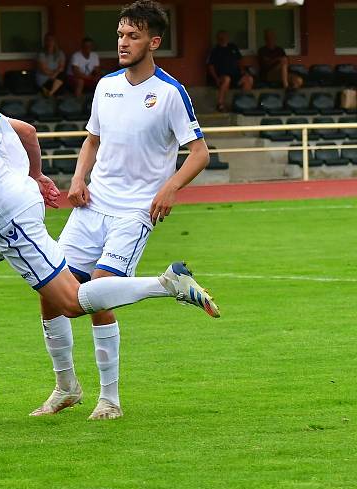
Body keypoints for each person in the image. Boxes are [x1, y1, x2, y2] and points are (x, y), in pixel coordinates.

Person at [0, 32, 220, 419]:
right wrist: (39, 175)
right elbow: (24, 131)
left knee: (75, 300)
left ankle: (161, 293)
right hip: (2, 215)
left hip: (10, 215)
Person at [58, 0, 217, 420]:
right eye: (120, 35)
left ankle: (109, 400)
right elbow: (92, 139)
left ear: (153, 41)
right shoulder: (105, 85)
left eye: (133, 36)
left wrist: (170, 187)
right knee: (52, 293)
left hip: (134, 212)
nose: (123, 43)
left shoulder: (169, 93)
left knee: (93, 293)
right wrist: (77, 179)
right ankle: (64, 387)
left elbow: (199, 153)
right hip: (93, 205)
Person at [207, 30, 254, 112]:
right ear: (218, 39)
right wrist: (216, 79)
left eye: (225, 36)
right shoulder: (215, 50)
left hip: (235, 76)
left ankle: (244, 102)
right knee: (227, 79)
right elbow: (211, 66)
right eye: (221, 37)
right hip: (222, 76)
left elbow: (240, 61)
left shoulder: (233, 47)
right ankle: (220, 104)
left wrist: (243, 71)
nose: (224, 38)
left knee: (249, 79)